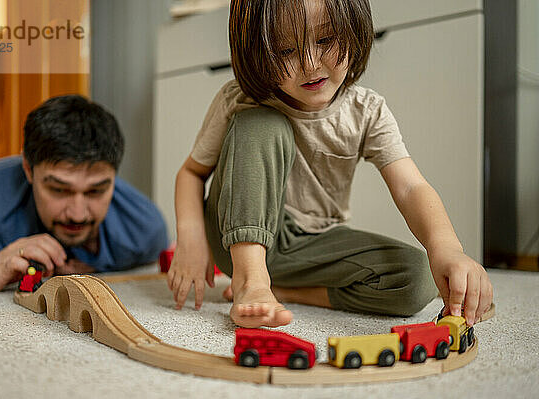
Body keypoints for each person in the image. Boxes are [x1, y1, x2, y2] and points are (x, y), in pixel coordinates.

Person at [167, 0, 493, 329]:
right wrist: (191, 238)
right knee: (261, 123)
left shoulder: (367, 110)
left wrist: (447, 248)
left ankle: (286, 290)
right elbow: (191, 173)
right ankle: (250, 281)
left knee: (417, 278)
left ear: (355, 30)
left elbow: (411, 187)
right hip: (234, 238)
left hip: (312, 246)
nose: (310, 66)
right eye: (284, 51)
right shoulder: (238, 98)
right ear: (256, 52)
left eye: (324, 41)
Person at [0, 95, 168, 293]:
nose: (78, 215)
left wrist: (97, 269)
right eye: (59, 189)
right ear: (28, 169)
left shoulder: (143, 226)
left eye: (96, 191)